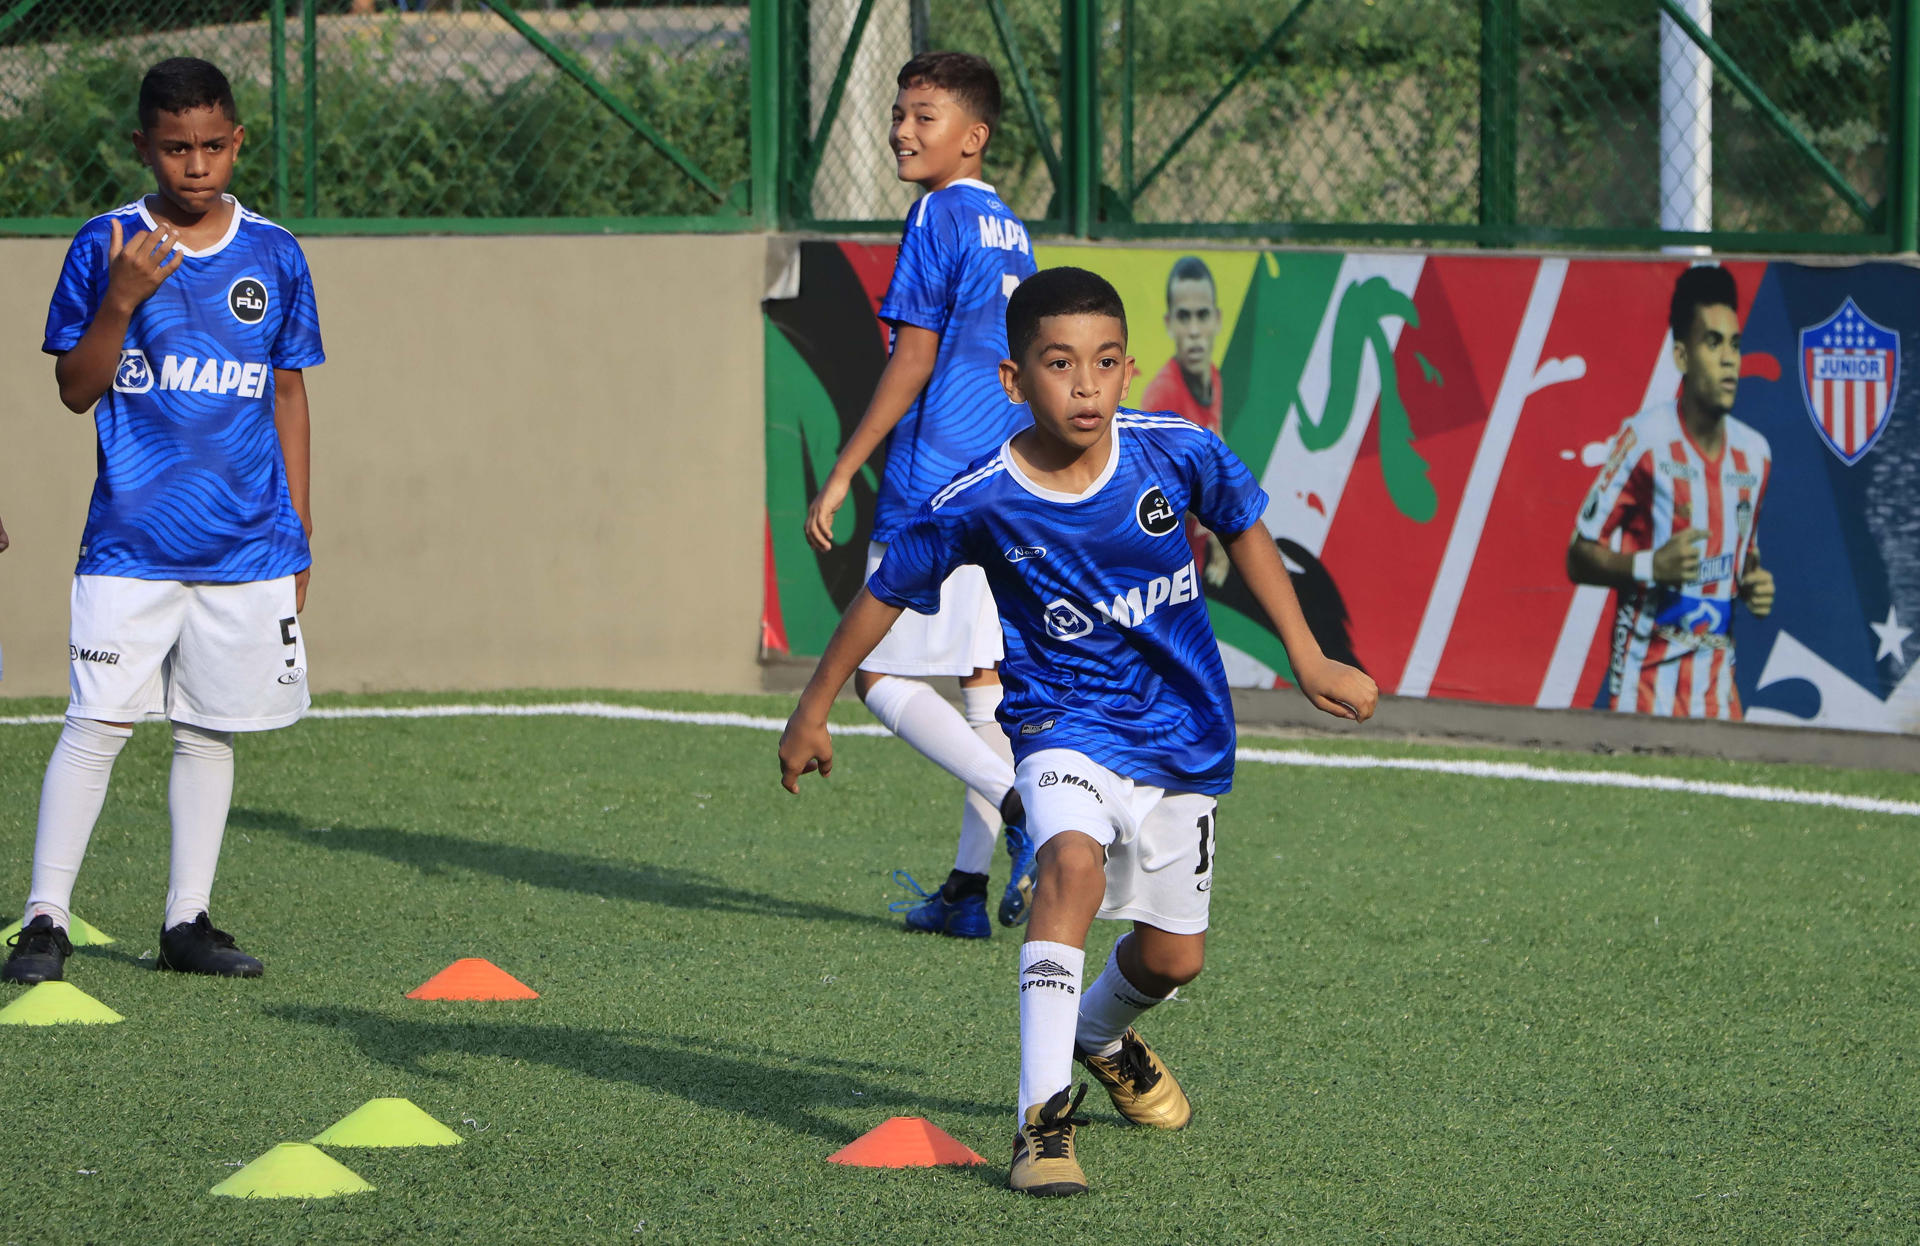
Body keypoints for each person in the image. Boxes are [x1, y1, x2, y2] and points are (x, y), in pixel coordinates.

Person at [779, 267, 1377, 1196]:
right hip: (1064, 726)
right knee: (1067, 866)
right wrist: (811, 706)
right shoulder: (981, 498)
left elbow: (1248, 526)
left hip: (1181, 737)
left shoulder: (1177, 452)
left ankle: (1100, 1034)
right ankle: (1042, 1124)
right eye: (1060, 364)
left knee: (1174, 956)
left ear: (1129, 369)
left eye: (1103, 363)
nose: (1086, 385)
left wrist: (1306, 656)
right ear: (1015, 380)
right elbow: (884, 593)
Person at [1, 57, 324, 985]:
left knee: (207, 727)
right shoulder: (106, 244)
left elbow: (289, 395)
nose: (195, 165)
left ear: (237, 143)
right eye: (175, 148)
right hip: (130, 545)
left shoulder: (275, 253)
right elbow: (74, 390)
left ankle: (187, 922)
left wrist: (299, 528)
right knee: (96, 722)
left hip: (249, 544)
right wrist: (121, 300)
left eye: (212, 147)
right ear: (143, 146)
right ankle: (43, 922)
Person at [802, 52, 1038, 939]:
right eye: (900, 113)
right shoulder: (1011, 227)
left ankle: (1025, 810)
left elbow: (914, 356)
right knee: (984, 683)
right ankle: (964, 894)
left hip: (932, 479)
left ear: (972, 138)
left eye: (924, 116)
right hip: (1001, 474)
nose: (902, 129)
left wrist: (844, 466)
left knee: (877, 673)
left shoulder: (936, 211)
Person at [1567, 265, 1774, 719]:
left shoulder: (1755, 456)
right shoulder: (1643, 440)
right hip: (1643, 696)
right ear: (1681, 356)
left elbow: (1741, 557)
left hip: (1719, 701)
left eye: (1735, 345)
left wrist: (1753, 583)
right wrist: (1650, 565)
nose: (1729, 360)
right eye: (1713, 343)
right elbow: (1578, 555)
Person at [1140, 256, 1230, 582]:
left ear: (1217, 320)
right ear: (1169, 324)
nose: (1194, 331)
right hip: (1164, 570)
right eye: (1184, 317)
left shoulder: (1214, 379)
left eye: (1202, 315)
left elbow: (1218, 449)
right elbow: (1155, 489)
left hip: (1196, 562)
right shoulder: (1162, 397)